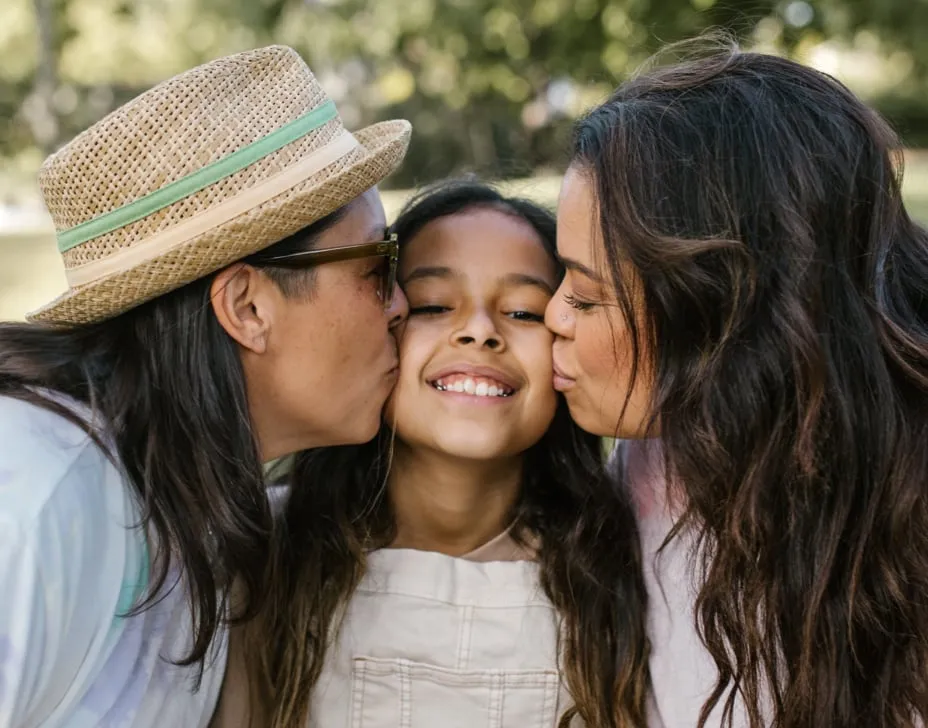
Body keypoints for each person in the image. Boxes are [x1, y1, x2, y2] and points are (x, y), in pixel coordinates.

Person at [0, 45, 411, 727]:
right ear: (248, 308)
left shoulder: (195, 500)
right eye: (377, 265)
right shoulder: (38, 494)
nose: (401, 305)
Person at [545, 38, 928, 728]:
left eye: (587, 296)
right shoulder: (644, 470)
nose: (551, 318)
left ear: (723, 317)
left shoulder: (901, 512)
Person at [213, 180, 651, 728]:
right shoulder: (264, 552)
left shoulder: (615, 563)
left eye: (522, 313)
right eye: (435, 305)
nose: (478, 332)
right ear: (384, 324)